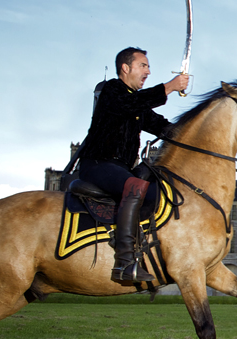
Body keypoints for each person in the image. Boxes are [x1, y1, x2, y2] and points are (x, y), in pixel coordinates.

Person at [77, 47, 189, 285]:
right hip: (97, 164)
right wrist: (169, 87)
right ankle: (125, 262)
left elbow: (163, 127)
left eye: (148, 66)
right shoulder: (112, 91)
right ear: (125, 68)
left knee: (158, 185)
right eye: (143, 66)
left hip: (119, 169)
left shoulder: (136, 104)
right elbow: (131, 104)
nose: (148, 71)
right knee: (135, 186)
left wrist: (196, 131)